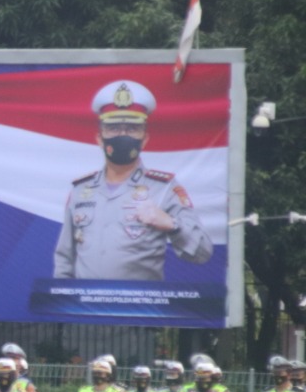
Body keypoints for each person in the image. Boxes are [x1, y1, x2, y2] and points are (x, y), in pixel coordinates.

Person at [54, 79, 213, 280]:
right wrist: (63, 301)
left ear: (145, 138)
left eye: (132, 129)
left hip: (141, 308)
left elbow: (203, 252)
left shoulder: (164, 189)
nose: (122, 135)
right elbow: (65, 258)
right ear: (99, 138)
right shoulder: (81, 189)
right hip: (86, 306)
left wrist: (173, 224)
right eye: (113, 128)